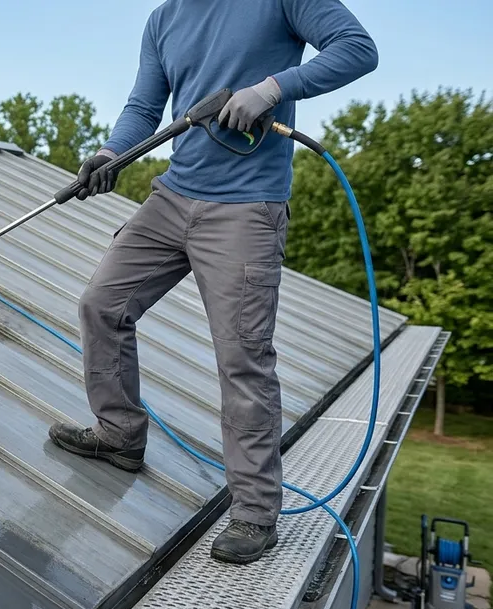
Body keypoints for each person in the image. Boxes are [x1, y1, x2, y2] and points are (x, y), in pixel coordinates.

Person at [47, 0, 378, 565]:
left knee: (243, 357)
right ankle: (120, 434)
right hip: (173, 196)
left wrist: (271, 88)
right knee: (102, 305)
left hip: (247, 208)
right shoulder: (164, 19)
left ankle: (254, 512)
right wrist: (109, 151)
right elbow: (144, 104)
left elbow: (358, 50)